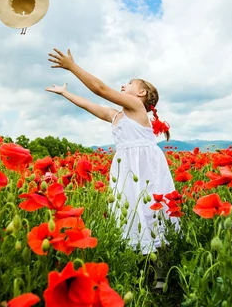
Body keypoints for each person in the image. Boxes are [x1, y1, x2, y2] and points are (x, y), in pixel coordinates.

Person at [46, 48, 179, 291]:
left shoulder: (136, 108)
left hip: (146, 170)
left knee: (152, 216)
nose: (123, 85)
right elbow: (89, 104)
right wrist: (66, 93)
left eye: (129, 83)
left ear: (142, 93)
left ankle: (161, 274)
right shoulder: (117, 115)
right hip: (127, 170)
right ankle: (136, 268)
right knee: (130, 216)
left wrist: (72, 67)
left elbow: (100, 89)